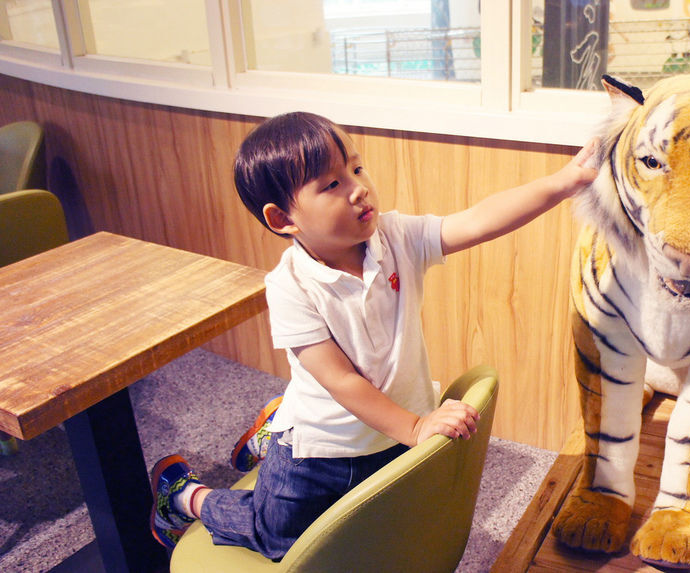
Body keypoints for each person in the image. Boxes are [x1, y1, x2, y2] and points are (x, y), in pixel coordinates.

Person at [148, 111, 598, 559]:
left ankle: (271, 425)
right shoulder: (290, 287)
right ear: (283, 217)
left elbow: (478, 220)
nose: (359, 187)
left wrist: (564, 181)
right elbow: (341, 381)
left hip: (391, 434)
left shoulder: (397, 237)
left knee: (376, 531)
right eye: (332, 184)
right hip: (319, 450)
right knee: (278, 540)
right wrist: (417, 426)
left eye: (357, 169)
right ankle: (184, 498)